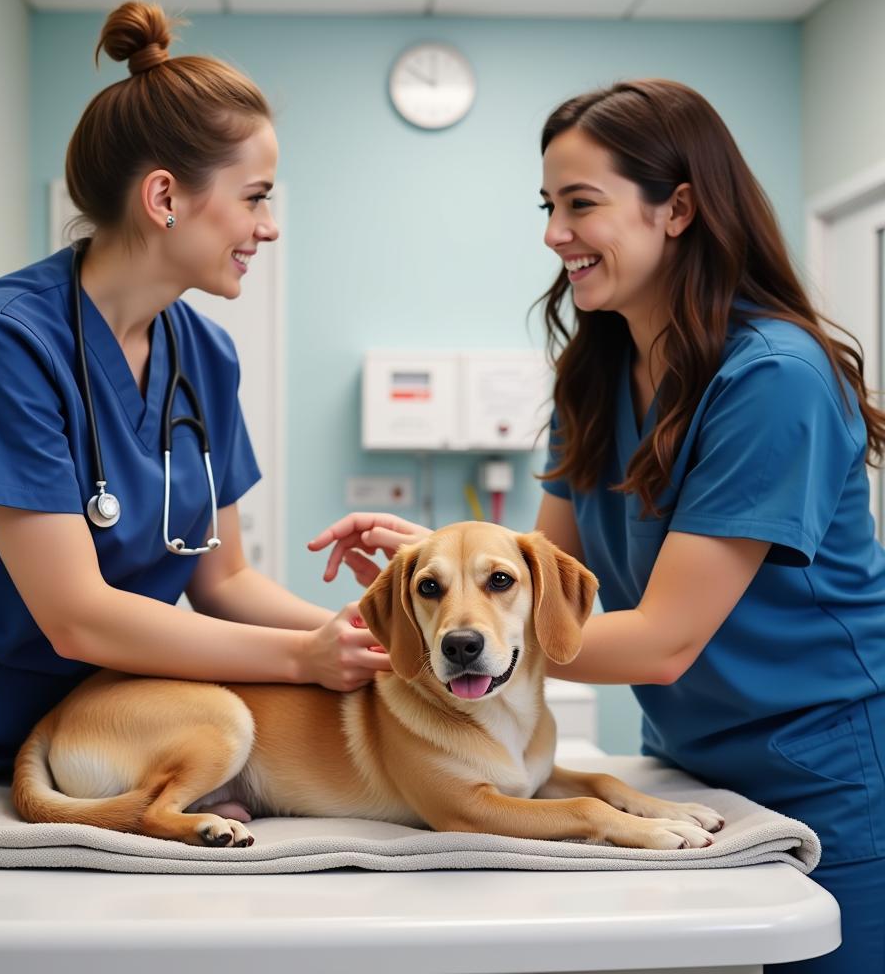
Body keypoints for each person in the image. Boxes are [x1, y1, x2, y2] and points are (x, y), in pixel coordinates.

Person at [309, 79, 885, 974]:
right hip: (688, 761)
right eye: (548, 206)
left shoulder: (773, 380)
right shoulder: (596, 374)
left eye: (582, 204)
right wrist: (432, 576)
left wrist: (445, 642)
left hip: (825, 769)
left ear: (679, 208)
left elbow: (655, 643)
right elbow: (542, 574)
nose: (553, 234)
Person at [0, 0, 389, 923]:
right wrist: (305, 661)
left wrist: (369, 644)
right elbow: (78, 617)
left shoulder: (204, 355)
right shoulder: (1, 345)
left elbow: (223, 580)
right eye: (257, 196)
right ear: (164, 197)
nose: (268, 227)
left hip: (96, 742)